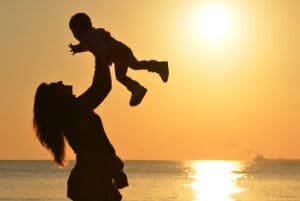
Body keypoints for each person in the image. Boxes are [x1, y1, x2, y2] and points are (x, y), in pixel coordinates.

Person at [33, 62, 128, 201]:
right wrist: (100, 55)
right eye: (55, 86)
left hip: (91, 178)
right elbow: (101, 88)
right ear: (57, 99)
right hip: (91, 181)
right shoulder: (74, 110)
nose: (60, 82)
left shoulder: (72, 111)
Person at [68, 12, 169, 106]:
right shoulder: (91, 35)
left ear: (79, 29)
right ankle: (145, 80)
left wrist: (104, 58)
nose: (74, 35)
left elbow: (99, 45)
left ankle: (138, 87)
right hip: (120, 52)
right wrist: (76, 49)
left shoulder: (89, 36)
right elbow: (87, 46)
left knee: (126, 72)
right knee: (133, 67)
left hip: (119, 53)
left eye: (73, 32)